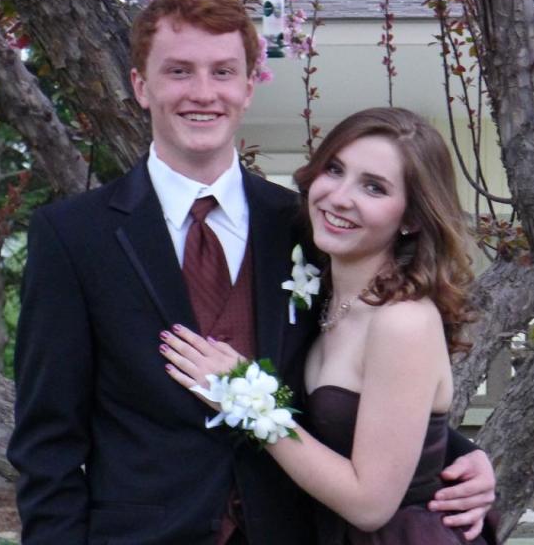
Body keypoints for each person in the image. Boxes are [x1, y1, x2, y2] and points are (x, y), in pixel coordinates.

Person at [7, 0, 496, 545]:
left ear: (247, 86)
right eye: (179, 72)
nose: (203, 93)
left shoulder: (303, 225)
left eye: (222, 72)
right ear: (141, 87)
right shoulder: (73, 237)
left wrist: (463, 459)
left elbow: (355, 383)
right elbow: (47, 444)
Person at [163, 107, 500, 544]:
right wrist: (468, 452)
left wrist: (245, 398)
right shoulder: (322, 298)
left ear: (413, 218)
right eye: (335, 169)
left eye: (374, 187)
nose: (340, 197)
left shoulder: (403, 322)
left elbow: (370, 505)